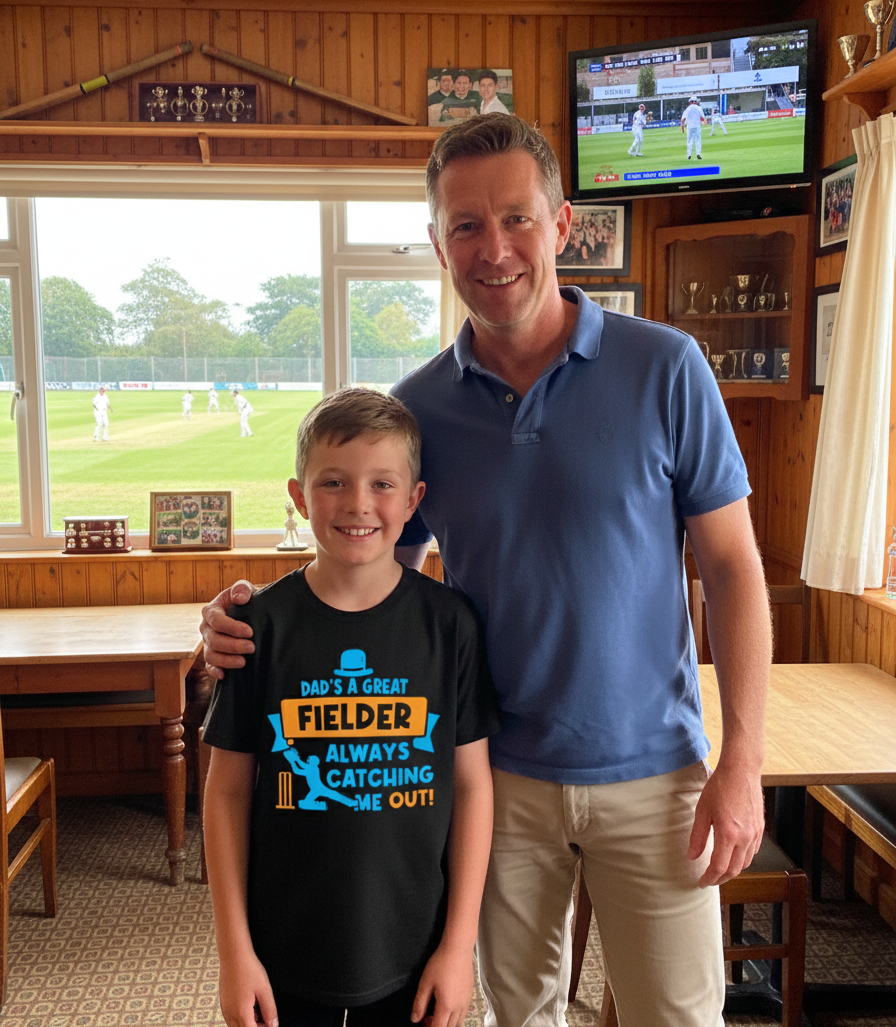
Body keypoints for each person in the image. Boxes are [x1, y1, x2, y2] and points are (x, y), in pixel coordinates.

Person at [201, 113, 771, 1027]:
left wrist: (742, 758)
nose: (493, 247)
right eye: (466, 225)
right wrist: (250, 617)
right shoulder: (419, 409)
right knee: (522, 1015)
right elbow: (370, 578)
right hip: (494, 779)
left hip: (658, 775)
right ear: (438, 242)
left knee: (679, 1016)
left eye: (515, 218)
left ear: (562, 225)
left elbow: (736, 569)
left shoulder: (667, 367)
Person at [203, 387, 499, 1027]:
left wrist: (459, 946)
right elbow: (226, 792)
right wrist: (233, 953)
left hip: (414, 946)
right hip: (284, 946)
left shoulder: (450, 626)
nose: (358, 504)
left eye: (382, 484)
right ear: (299, 495)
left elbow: (473, 787)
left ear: (415, 499)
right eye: (333, 482)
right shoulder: (258, 627)